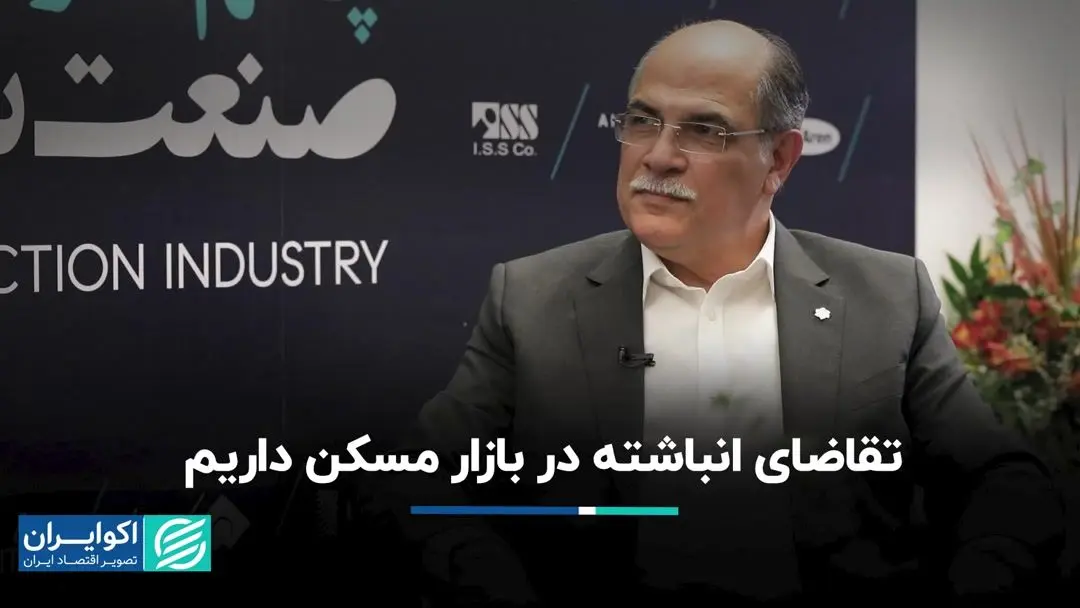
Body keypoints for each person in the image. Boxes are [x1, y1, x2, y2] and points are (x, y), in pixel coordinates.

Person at [382, 19, 1065, 606]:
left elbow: (1005, 481)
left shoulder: (886, 297)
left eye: (705, 131)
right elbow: (414, 477)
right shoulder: (533, 299)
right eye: (642, 121)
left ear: (779, 159)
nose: (658, 156)